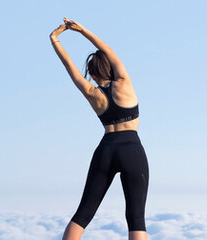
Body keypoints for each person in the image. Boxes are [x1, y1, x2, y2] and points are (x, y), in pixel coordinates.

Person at [50, 17, 150, 240]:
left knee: (83, 215)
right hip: (131, 149)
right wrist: (82, 30)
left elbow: (71, 69)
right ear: (110, 68)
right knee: (136, 219)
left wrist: (55, 40)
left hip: (105, 150)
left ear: (92, 73)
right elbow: (107, 49)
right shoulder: (124, 81)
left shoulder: (91, 92)